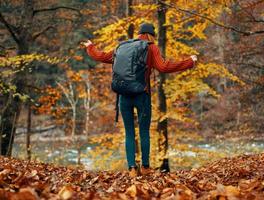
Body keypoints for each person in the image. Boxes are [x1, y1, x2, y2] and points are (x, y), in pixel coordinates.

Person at [83, 23, 197, 177]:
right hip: (142, 96)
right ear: (152, 35)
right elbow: (163, 67)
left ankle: (131, 168)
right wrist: (189, 61)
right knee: (144, 132)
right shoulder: (151, 48)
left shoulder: (122, 47)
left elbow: (101, 56)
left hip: (123, 96)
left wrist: (90, 47)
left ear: (139, 34)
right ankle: (145, 167)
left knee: (129, 133)